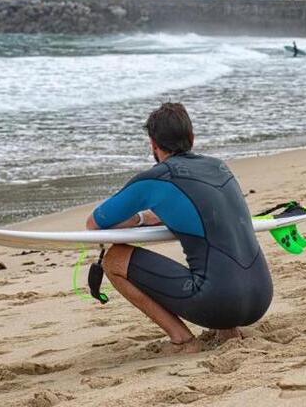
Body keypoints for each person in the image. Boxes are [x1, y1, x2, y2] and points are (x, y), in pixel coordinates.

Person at [86, 103, 273, 352]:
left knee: (114, 259)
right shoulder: (219, 167)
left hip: (219, 303)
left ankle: (182, 340)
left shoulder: (156, 178)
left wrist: (141, 218)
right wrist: (159, 215)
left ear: (153, 144)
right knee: (216, 253)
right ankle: (228, 331)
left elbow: (95, 223)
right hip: (261, 297)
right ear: (191, 138)